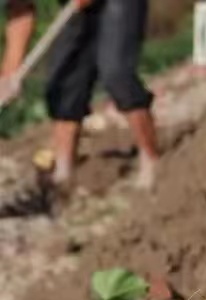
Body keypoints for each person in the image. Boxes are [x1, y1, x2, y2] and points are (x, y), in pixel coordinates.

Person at [0, 0, 159, 193]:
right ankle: (63, 173)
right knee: (63, 81)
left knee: (116, 73)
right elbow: (20, 10)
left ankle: (151, 159)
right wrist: (10, 75)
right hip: (74, 5)